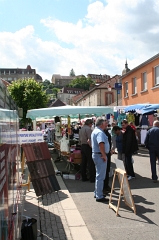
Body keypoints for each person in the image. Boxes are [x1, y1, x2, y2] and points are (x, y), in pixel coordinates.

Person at [91, 117, 110, 202]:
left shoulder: (95, 131)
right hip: (99, 155)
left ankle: (97, 192)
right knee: (101, 176)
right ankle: (99, 195)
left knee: (98, 175)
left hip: (97, 154)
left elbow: (90, 142)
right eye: (105, 123)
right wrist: (103, 155)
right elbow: (101, 144)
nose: (106, 124)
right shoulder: (99, 132)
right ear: (102, 124)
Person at [103, 120, 112, 194]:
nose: (107, 125)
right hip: (104, 154)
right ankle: (104, 187)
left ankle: (106, 185)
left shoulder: (105, 132)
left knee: (107, 170)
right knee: (104, 171)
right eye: (106, 123)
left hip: (107, 153)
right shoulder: (101, 132)